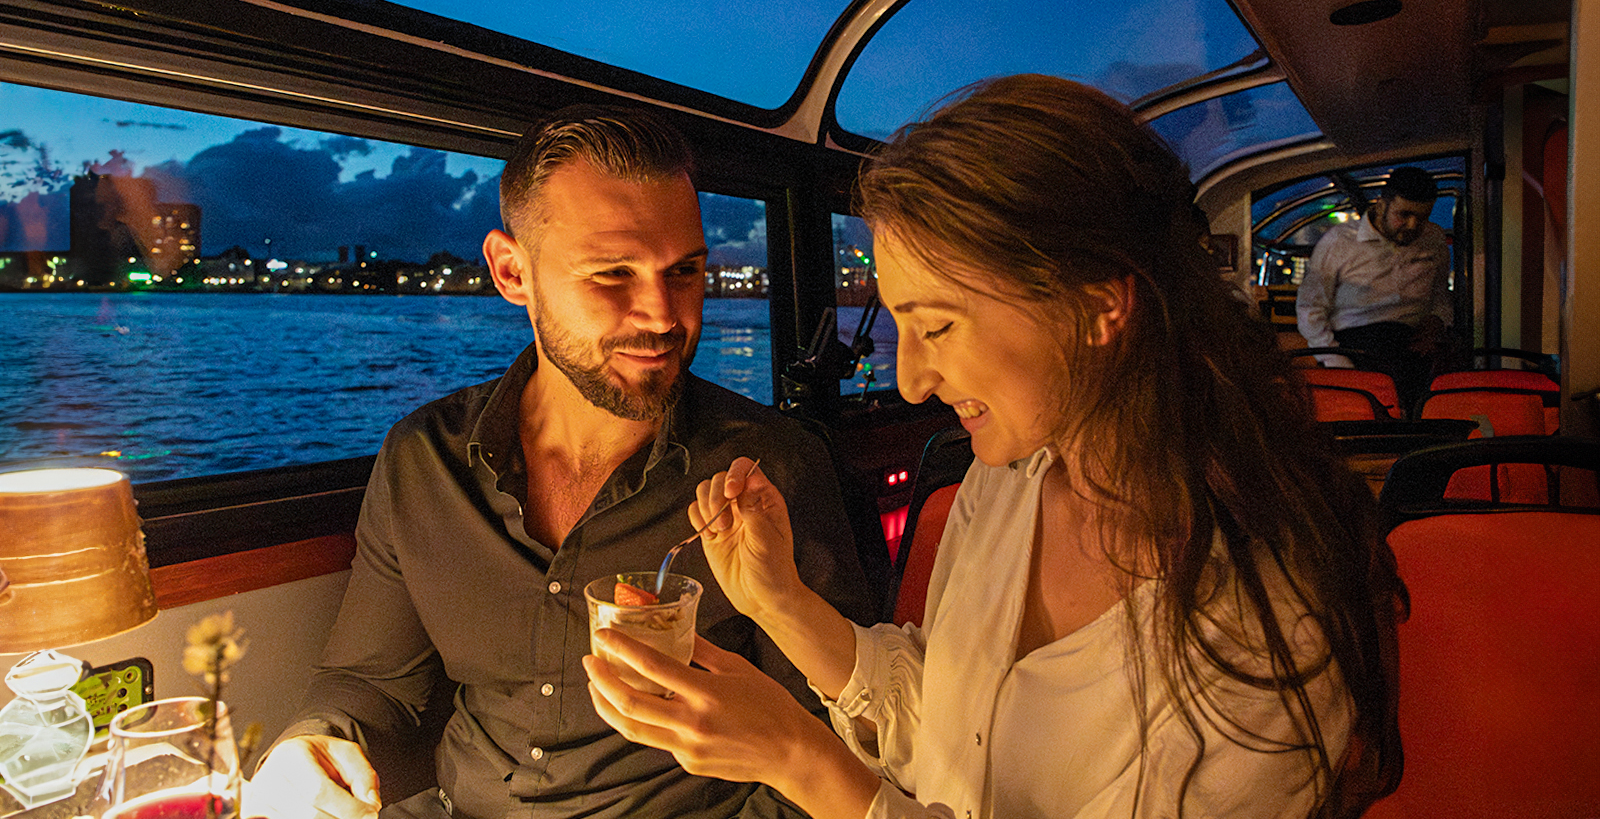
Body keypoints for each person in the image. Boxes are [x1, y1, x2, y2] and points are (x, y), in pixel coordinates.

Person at [584, 75, 1404, 819]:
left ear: (1097, 307)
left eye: (937, 323)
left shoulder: (1270, 621)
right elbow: (950, 729)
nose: (908, 382)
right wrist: (780, 603)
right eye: (898, 323)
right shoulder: (1002, 482)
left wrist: (801, 760)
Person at [250, 106, 874, 819]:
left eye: (686, 270)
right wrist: (309, 746)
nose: (663, 314)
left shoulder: (769, 470)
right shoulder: (424, 460)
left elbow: (832, 739)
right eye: (612, 274)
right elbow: (370, 681)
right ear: (513, 271)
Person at [1295, 166, 1452, 406]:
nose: (1412, 225)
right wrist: (1336, 361)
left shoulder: (1434, 239)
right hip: (1353, 347)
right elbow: (1310, 309)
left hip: (1412, 347)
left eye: (1422, 218)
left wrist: (1436, 323)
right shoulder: (1340, 242)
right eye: (1404, 214)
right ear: (1381, 204)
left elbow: (1440, 296)